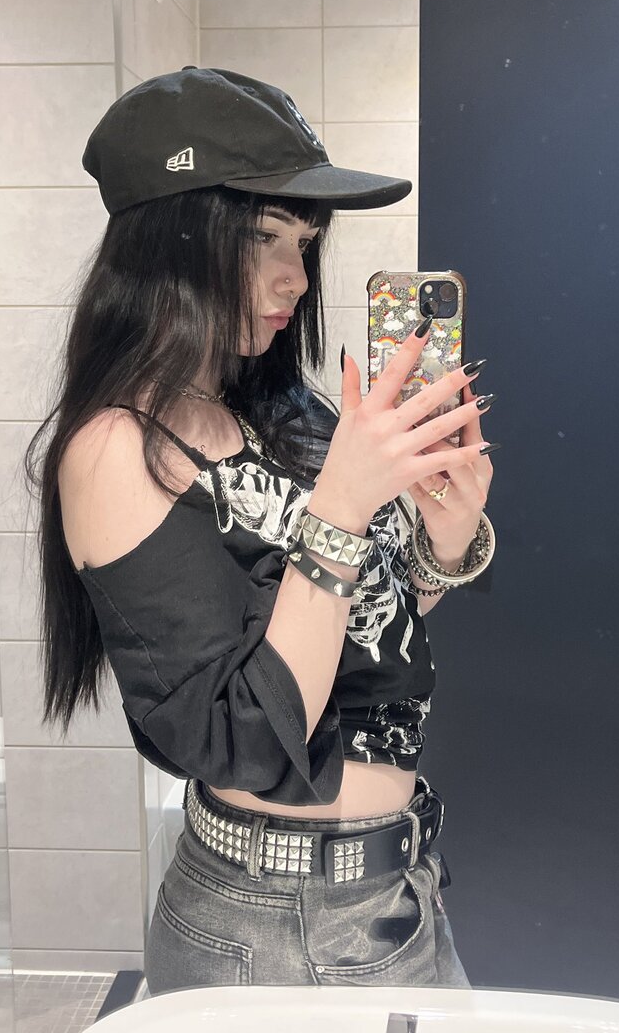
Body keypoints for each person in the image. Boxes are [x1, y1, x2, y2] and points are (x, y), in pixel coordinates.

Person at [25, 67, 498, 992]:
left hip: (393, 889)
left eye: (306, 243)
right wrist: (342, 507)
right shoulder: (117, 447)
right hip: (276, 923)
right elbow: (243, 739)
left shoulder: (278, 404)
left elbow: (371, 627)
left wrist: (446, 541)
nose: (295, 278)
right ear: (168, 241)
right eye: (261, 238)